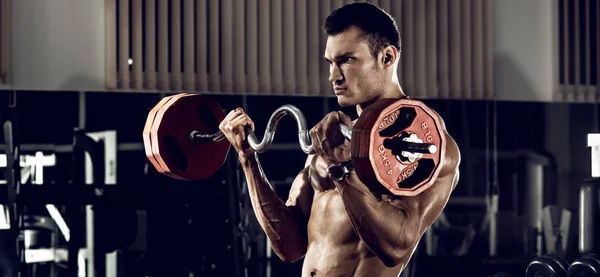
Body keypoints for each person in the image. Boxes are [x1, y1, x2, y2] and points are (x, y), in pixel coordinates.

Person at [219, 2, 461, 276]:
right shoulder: (333, 139)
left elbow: (396, 246)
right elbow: (289, 246)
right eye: (330, 63)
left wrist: (341, 170)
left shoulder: (425, 145)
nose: (334, 76)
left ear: (387, 57)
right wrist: (247, 158)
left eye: (347, 60)